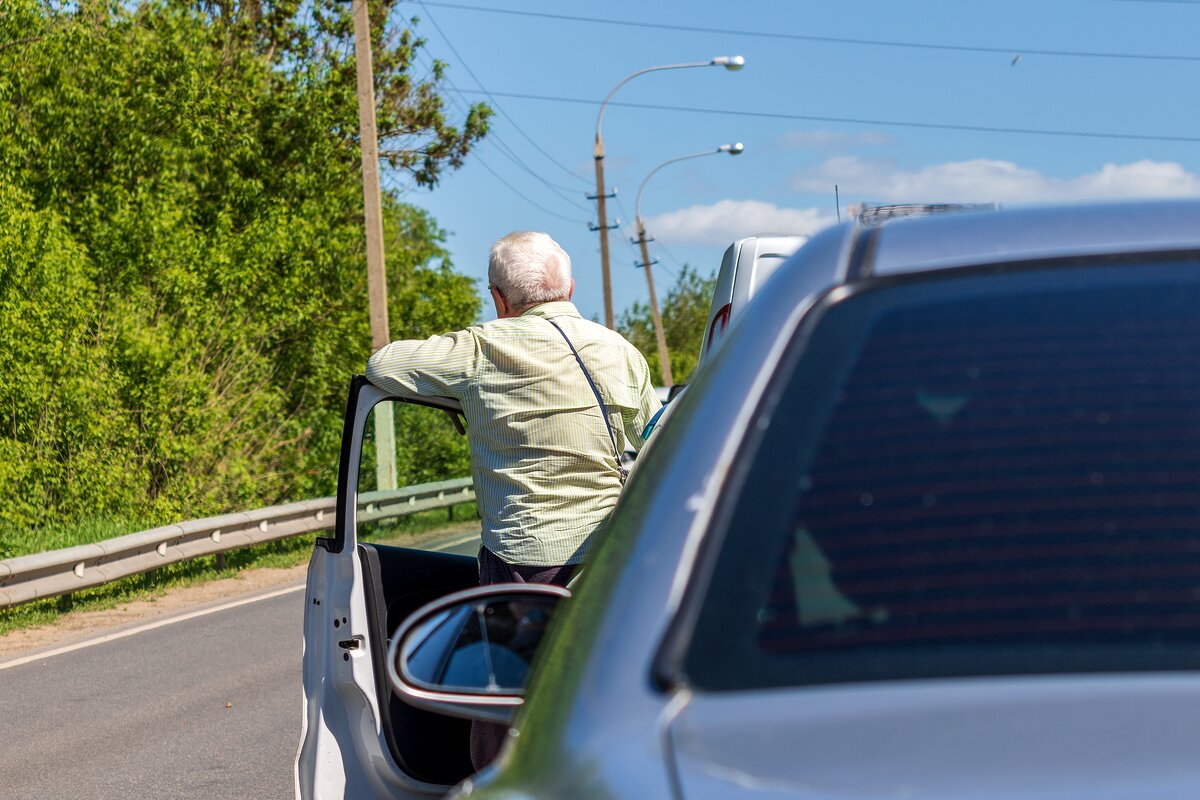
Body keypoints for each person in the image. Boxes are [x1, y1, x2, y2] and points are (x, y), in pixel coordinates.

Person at [365, 230, 662, 770]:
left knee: (504, 707)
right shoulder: (621, 352)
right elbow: (657, 440)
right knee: (607, 690)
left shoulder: (482, 349)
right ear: (570, 287)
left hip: (526, 563)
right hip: (614, 559)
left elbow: (383, 366)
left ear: (499, 299)